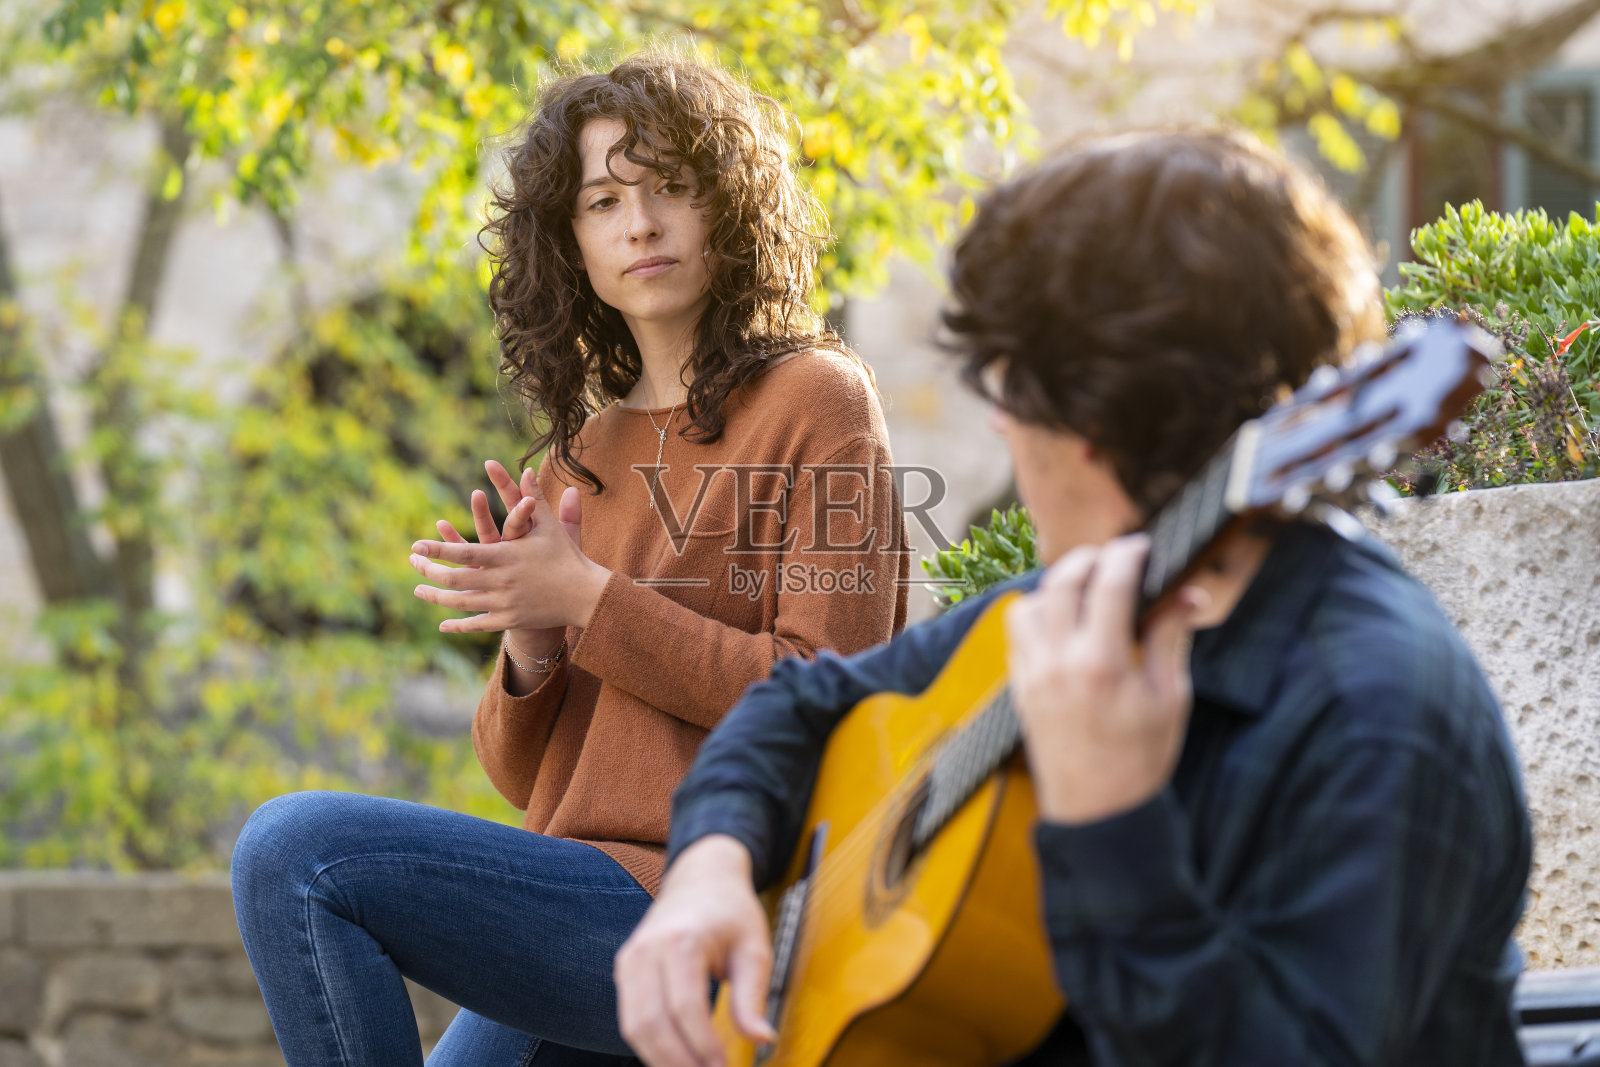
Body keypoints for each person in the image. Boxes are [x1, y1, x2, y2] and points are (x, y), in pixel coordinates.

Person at [614, 129, 1533, 1067]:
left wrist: (1110, 824)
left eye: (1008, 390)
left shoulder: (1375, 714)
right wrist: (710, 866)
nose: (1001, 424)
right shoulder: (1069, 607)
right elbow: (802, 702)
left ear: (1086, 425)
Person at [230, 49, 909, 1067]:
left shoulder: (818, 399)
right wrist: (533, 648)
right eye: (602, 201)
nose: (641, 223)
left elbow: (825, 698)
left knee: (295, 848)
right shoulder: (575, 462)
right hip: (570, 898)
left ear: (728, 206)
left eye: (672, 187)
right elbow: (519, 777)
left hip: (722, 898)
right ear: (572, 244)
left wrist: (593, 598)